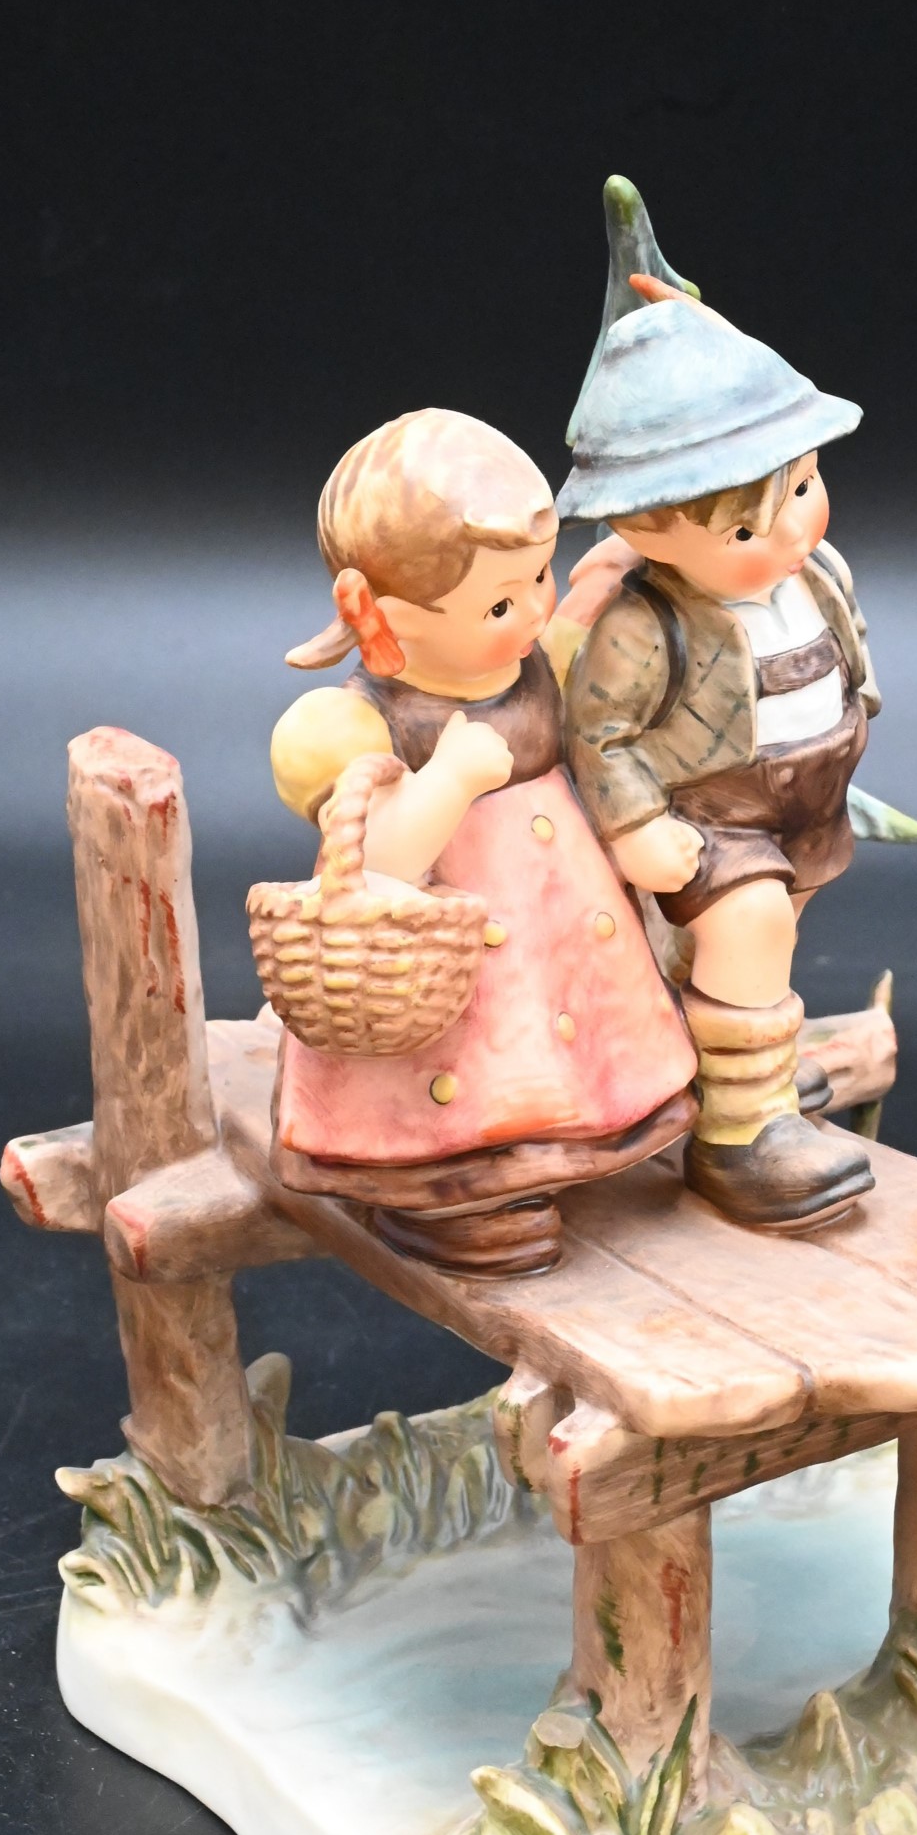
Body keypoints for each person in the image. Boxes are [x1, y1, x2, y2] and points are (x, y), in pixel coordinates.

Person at [266, 407, 697, 1275]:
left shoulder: (531, 659)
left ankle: (578, 1135)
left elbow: (573, 649)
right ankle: (453, 1194)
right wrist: (449, 782)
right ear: (387, 618)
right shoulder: (362, 722)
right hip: (446, 958)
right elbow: (377, 859)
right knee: (472, 1061)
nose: (534, 608)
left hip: (559, 917)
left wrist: (604, 583)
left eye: (540, 574)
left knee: (578, 1039)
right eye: (501, 601)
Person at [556, 180, 879, 1232]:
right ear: (642, 527)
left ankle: (735, 1067)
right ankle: (740, 1135)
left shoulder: (811, 568)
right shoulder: (645, 624)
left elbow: (842, 648)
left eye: (802, 487)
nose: (789, 531)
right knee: (747, 921)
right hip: (712, 816)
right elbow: (599, 733)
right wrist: (638, 826)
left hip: (805, 801)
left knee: (764, 937)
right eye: (745, 529)